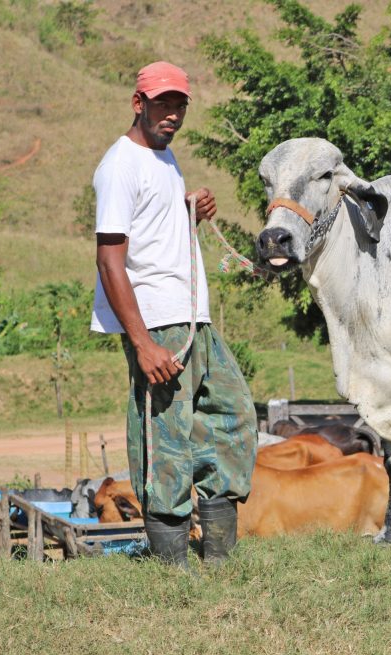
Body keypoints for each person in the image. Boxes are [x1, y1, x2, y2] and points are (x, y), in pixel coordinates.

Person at [90, 61, 257, 568]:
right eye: (163, 103)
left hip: (193, 318)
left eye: (180, 105)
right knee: (167, 441)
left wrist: (189, 207)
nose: (173, 114)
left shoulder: (165, 159)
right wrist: (142, 343)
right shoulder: (120, 165)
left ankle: (219, 559)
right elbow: (109, 259)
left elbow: (155, 228)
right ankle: (172, 570)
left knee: (231, 416)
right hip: (157, 322)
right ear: (138, 103)